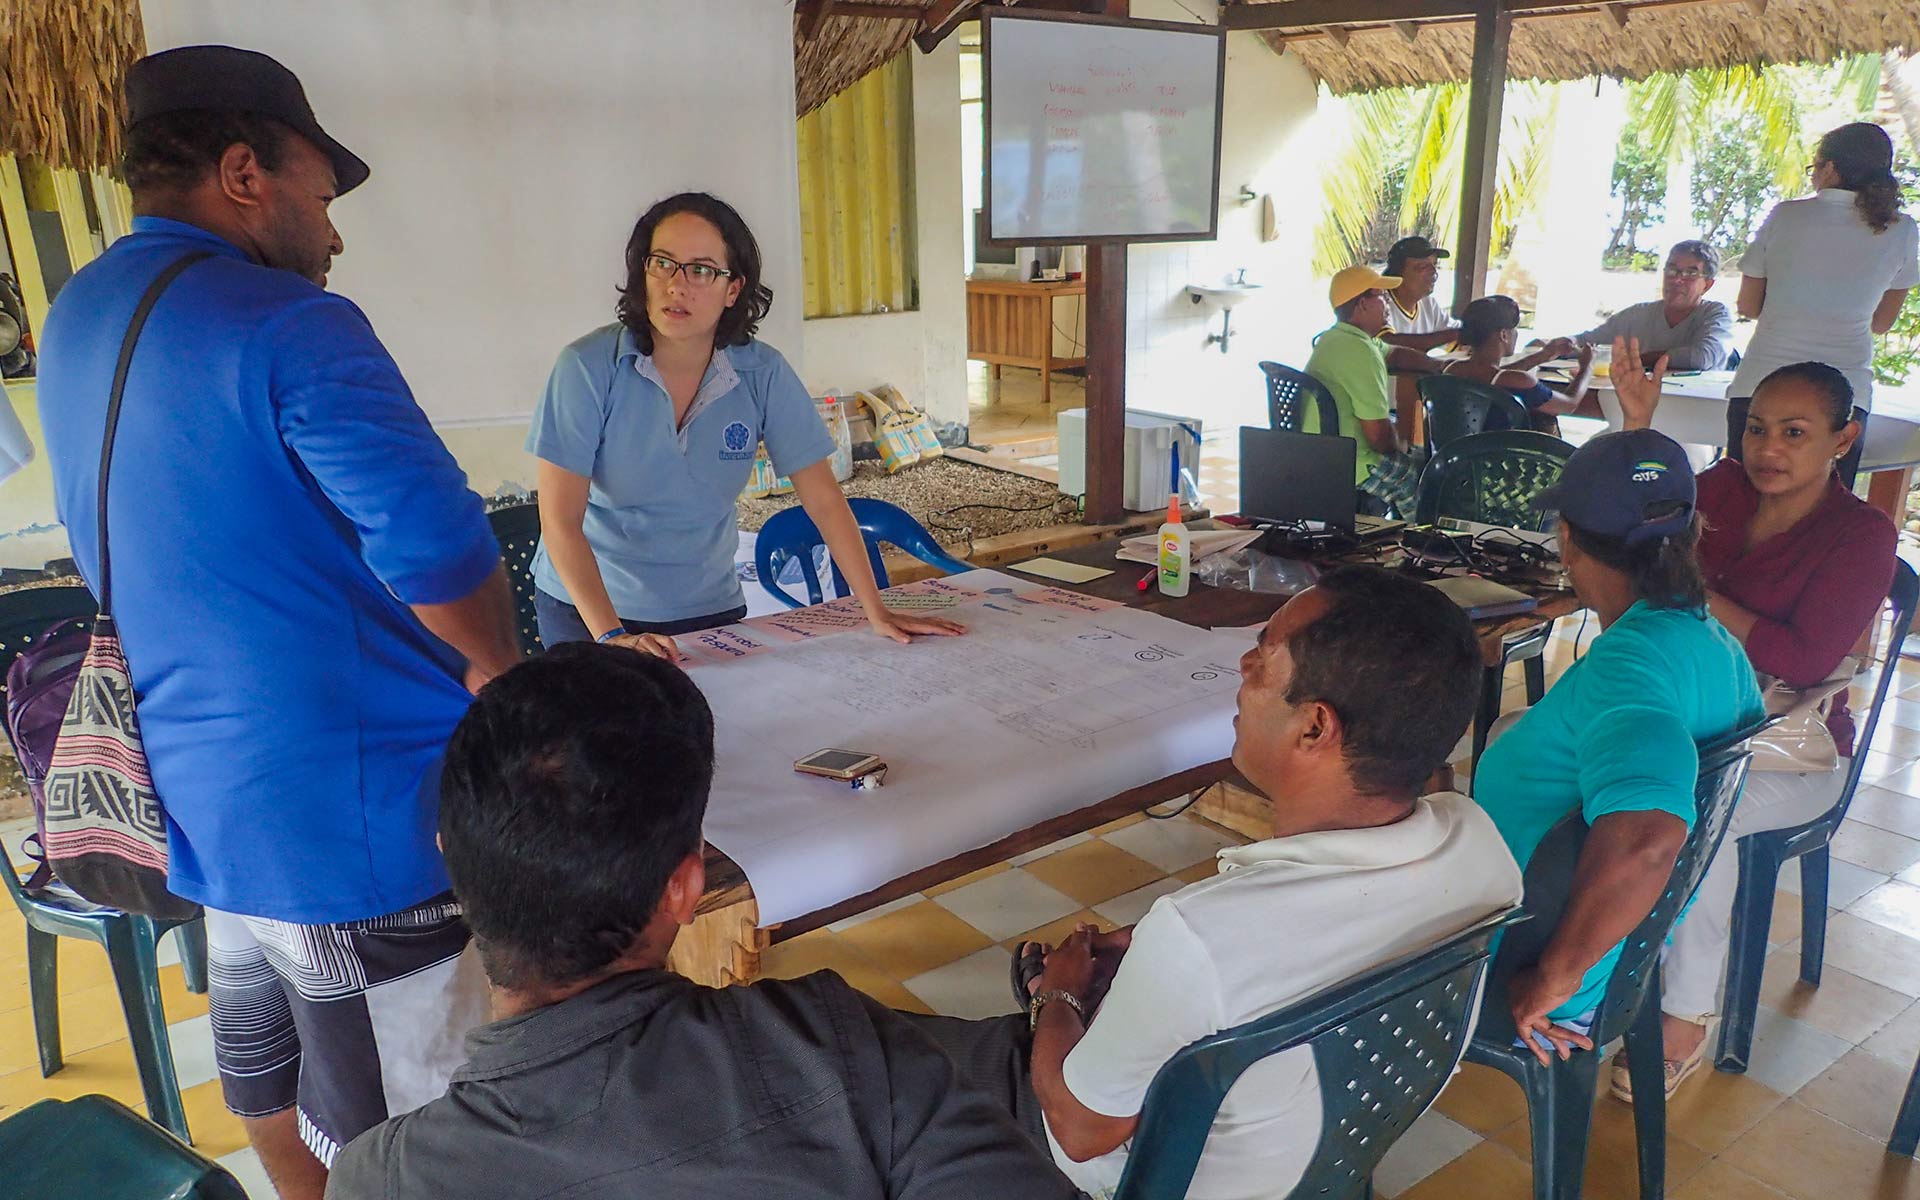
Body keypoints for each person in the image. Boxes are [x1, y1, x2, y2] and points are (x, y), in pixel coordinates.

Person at [35, 46, 523, 1199]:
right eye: (321, 193)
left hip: (203, 805)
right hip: (356, 823)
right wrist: (501, 672)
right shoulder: (292, 322)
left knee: (267, 1068)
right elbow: (441, 543)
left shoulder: (79, 317)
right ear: (247, 173)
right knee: (411, 1121)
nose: (333, 232)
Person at [325, 644, 1079, 1200]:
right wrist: (1061, 1006)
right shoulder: (832, 1046)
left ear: (449, 856)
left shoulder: (375, 1180)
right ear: (685, 890)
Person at [889, 567, 1524, 1200]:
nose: (1244, 668)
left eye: (1264, 656)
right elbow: (1315, 927)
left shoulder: (1201, 937)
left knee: (840, 1042)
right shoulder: (1478, 848)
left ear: (1314, 728)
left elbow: (1082, 1131)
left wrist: (1057, 996)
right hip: (1319, 1160)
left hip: (1135, 1175)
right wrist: (1153, 952)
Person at [1608, 338, 1897, 1098]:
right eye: (1758, 428)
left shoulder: (1861, 535)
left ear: (1844, 438)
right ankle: (1596, 958)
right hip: (1690, 720)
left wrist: (1693, 595)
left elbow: (1800, 661)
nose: (1769, 448)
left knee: (1706, 810)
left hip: (1791, 755)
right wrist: (1639, 429)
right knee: (1570, 761)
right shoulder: (1726, 488)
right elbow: (1635, 513)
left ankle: (1686, 1013)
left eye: (1794, 432)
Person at [530, 192, 962, 655]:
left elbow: (824, 498)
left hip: (705, 606)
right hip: (590, 612)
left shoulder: (760, 373)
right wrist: (613, 636)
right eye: (663, 263)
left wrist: (874, 609)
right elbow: (560, 521)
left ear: (733, 289)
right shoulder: (587, 367)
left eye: (701, 270)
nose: (677, 285)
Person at [1471, 427, 1765, 1066]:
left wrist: (1554, 978)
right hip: (1622, 957)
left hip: (1530, 970)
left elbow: (1647, 836)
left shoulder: (1628, 666)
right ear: (1690, 533)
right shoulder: (1717, 645)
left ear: (1568, 541)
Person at [1728, 122, 1920, 484]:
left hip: (1761, 387)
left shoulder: (1786, 215)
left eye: (1814, 166)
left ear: (1830, 169)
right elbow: (1881, 323)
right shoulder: (1902, 229)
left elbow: (1748, 305)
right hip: (1843, 396)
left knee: (1740, 508)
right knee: (1826, 522)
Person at [1304, 266, 1426, 514]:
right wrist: (1402, 446)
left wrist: (1440, 365)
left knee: (1413, 455)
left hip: (1320, 452)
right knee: (1423, 478)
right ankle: (1419, 543)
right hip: (1354, 463)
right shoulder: (1361, 352)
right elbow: (1379, 438)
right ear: (1362, 304)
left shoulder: (1335, 338)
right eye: (1381, 296)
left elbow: (1393, 353)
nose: (1388, 304)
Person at [1573, 240, 1733, 372]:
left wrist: (1639, 360)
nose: (1677, 280)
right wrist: (1566, 342)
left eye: (1691, 274)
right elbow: (1589, 340)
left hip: (1695, 404)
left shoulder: (1716, 314)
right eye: (1672, 270)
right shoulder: (1638, 313)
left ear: (1707, 285)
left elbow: (1702, 357)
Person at [1444, 295, 1598, 422]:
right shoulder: (1519, 380)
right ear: (1503, 335)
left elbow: (1495, 376)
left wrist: (1543, 356)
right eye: (1514, 329)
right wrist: (1586, 368)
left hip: (1451, 454)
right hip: (1496, 455)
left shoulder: (1451, 369)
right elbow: (1569, 404)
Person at [1377, 236, 1458, 446]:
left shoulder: (1428, 304)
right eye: (1422, 266)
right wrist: (1450, 336)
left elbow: (1457, 336)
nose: (1433, 273)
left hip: (1418, 400)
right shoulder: (1378, 302)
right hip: (1386, 407)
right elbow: (1388, 342)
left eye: (1434, 265)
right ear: (1398, 273)